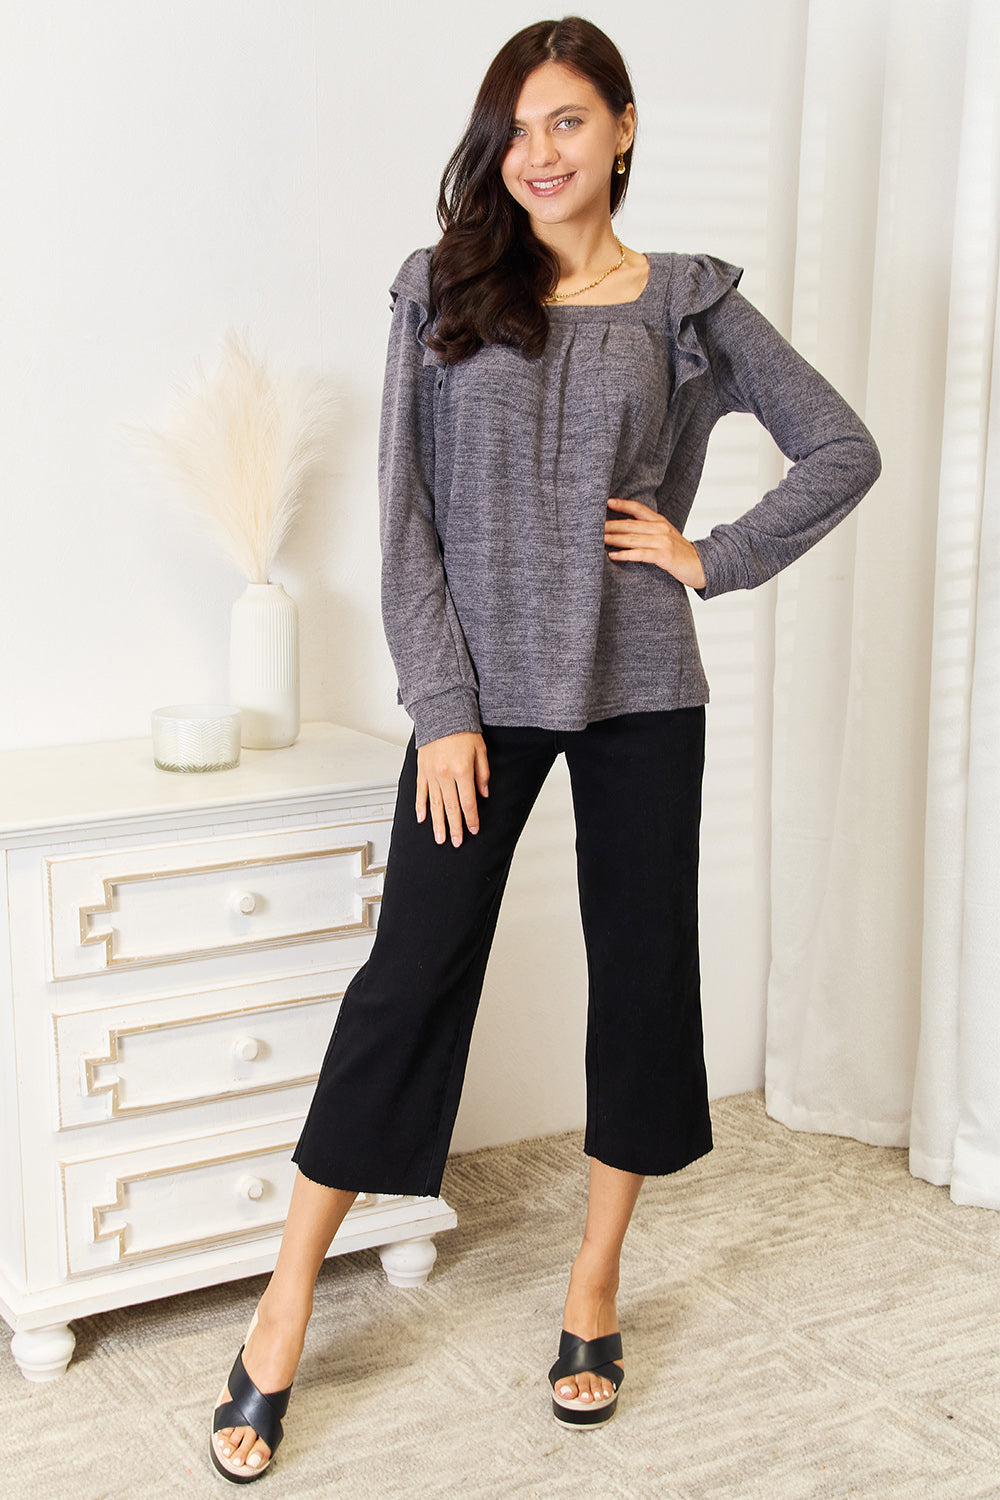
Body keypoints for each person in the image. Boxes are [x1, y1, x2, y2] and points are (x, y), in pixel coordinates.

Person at [210, 15, 881, 1480]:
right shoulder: (441, 288)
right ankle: (283, 1302)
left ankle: (592, 1289)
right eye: (517, 127)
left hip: (643, 684)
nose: (540, 152)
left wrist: (714, 557)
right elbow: (405, 523)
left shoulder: (689, 306)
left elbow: (842, 447)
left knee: (642, 976)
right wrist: (443, 710)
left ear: (624, 129)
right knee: (409, 978)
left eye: (569, 120)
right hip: (481, 695)